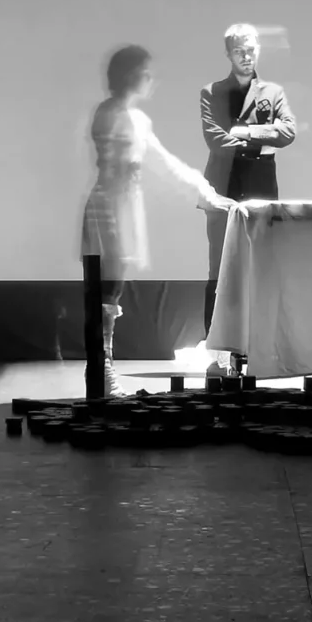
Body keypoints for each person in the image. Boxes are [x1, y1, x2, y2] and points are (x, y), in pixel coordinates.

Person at [81, 45, 236, 396]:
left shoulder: (128, 117)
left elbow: (163, 163)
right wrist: (207, 196)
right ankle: (102, 374)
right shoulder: (118, 115)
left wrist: (207, 195)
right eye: (147, 74)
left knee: (109, 291)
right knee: (107, 291)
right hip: (111, 208)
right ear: (133, 76)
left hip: (118, 205)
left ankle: (102, 374)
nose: (152, 81)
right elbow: (156, 164)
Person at [200, 24, 297, 376]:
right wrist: (262, 139)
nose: (247, 55)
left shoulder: (273, 91)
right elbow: (215, 139)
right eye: (240, 49)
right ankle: (217, 353)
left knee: (262, 269)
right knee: (219, 271)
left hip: (261, 188)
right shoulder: (211, 92)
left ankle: (261, 348)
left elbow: (288, 131)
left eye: (252, 49)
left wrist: (243, 132)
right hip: (223, 188)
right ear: (228, 53)